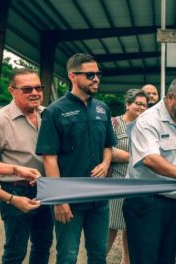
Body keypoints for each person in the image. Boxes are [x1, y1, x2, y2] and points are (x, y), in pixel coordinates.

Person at [36, 53, 117, 264]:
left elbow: (108, 145)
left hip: (99, 197)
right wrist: (59, 199)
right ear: (72, 76)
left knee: (99, 254)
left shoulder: (102, 108)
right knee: (67, 256)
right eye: (90, 74)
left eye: (98, 74)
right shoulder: (54, 111)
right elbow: (49, 159)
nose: (96, 79)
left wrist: (106, 162)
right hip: (69, 199)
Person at [123, 76, 176, 264]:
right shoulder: (148, 121)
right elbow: (150, 159)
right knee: (146, 259)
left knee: (166, 259)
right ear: (170, 97)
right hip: (146, 203)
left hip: (172, 202)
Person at [0, 68, 53, 264]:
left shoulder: (49, 115)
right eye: (27, 89)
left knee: (43, 245)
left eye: (38, 87)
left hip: (47, 189)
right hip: (16, 190)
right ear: (12, 91)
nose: (35, 93)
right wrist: (12, 196)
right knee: (15, 252)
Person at [107, 89, 148, 264]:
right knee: (111, 226)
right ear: (127, 104)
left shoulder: (145, 127)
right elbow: (108, 150)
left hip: (137, 183)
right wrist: (135, 158)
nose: (141, 107)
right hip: (116, 183)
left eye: (145, 105)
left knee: (130, 228)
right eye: (138, 103)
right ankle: (98, 258)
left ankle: (126, 261)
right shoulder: (114, 123)